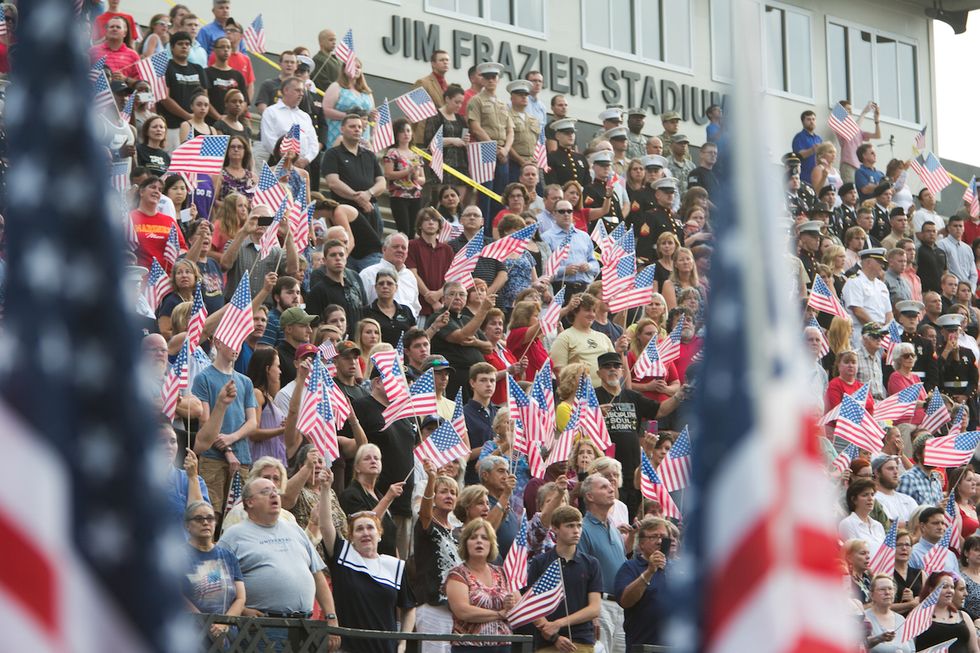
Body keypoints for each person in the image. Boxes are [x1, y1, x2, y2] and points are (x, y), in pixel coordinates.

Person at [217, 478, 340, 651]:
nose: (274, 494)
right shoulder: (233, 536)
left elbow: (317, 575)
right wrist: (242, 610)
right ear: (249, 502)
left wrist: (331, 617)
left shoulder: (295, 529)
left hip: (305, 628)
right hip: (261, 628)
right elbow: (215, 584)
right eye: (265, 492)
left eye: (275, 490)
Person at [319, 468, 416, 653]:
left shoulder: (395, 566)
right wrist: (325, 488)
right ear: (351, 537)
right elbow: (325, 526)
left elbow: (409, 607)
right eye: (359, 529)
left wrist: (403, 642)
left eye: (370, 528)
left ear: (379, 534)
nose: (365, 533)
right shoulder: (343, 554)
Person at [526, 505, 602, 651]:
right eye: (570, 526)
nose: (576, 530)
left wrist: (559, 623)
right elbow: (532, 606)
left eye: (579, 525)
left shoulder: (591, 563)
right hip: (547, 644)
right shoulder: (540, 563)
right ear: (555, 528)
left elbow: (594, 608)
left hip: (582, 641)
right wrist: (554, 637)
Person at [444, 518, 517, 653]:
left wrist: (511, 604)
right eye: (473, 537)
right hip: (469, 647)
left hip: (503, 646)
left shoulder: (502, 572)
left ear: (491, 544)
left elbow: (518, 605)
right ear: (465, 544)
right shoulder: (458, 574)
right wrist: (499, 614)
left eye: (484, 538)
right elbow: (462, 611)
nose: (479, 541)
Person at [322, 114, 386, 266]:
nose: (357, 129)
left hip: (371, 212)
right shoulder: (333, 154)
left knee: (373, 255)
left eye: (359, 127)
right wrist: (356, 197)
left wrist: (368, 194)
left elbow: (382, 182)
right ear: (342, 129)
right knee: (344, 251)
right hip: (343, 213)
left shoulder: (370, 155)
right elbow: (333, 182)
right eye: (352, 126)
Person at [414, 461, 463, 653]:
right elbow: (424, 513)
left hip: (457, 607)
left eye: (453, 492)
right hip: (433, 605)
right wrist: (432, 478)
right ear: (433, 497)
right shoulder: (427, 523)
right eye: (443, 492)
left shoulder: (459, 532)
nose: (449, 496)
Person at [182, 500, 246, 643]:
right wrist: (206, 625)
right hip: (193, 637)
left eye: (210, 518)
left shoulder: (228, 556)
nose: (205, 522)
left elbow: (240, 598)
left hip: (226, 638)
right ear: (187, 525)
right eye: (199, 518)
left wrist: (224, 624)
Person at [576, 474, 627, 653]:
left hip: (621, 607)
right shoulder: (582, 529)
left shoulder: (614, 528)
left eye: (611, 486)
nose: (611, 489)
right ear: (589, 496)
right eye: (604, 487)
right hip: (600, 606)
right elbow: (580, 574)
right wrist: (592, 613)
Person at [466, 62, 514, 225]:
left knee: (501, 194)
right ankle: (484, 229)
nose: (491, 80)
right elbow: (475, 127)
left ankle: (496, 228)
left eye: (494, 77)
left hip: (502, 152)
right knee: (485, 193)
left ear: (498, 79)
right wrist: (493, 147)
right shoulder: (476, 100)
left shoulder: (503, 104)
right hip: (485, 149)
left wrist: (505, 149)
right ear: (482, 80)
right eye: (487, 77)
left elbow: (510, 131)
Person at [614, 516, 670, 651]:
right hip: (643, 646)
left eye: (663, 537)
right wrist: (649, 572)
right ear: (641, 544)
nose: (659, 541)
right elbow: (625, 601)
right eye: (653, 537)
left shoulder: (679, 569)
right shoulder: (630, 567)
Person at [550, 293, 625, 386]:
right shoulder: (564, 337)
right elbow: (559, 371)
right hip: (580, 393)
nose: (592, 315)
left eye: (594, 311)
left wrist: (619, 352)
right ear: (575, 312)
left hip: (607, 392)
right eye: (587, 310)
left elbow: (615, 367)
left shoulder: (603, 337)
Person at [157, 31, 208, 148]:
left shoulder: (198, 69)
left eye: (187, 44)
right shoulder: (165, 67)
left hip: (197, 126)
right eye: (180, 44)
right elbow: (164, 97)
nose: (184, 47)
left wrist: (196, 117)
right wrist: (188, 116)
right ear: (172, 47)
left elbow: (205, 97)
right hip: (172, 126)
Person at [260, 77, 320, 170]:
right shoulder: (271, 112)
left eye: (302, 91)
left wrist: (307, 159)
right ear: (286, 90)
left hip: (302, 166)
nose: (301, 94)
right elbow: (269, 140)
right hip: (279, 163)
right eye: (298, 90)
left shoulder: (305, 117)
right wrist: (288, 158)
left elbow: (313, 143)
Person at [914, 571, 980, 652]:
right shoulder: (918, 618)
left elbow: (974, 650)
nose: (949, 591)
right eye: (944, 587)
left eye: (952, 587)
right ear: (931, 590)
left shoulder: (964, 616)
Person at [842, 248, 893, 349]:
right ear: (868, 262)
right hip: (862, 333)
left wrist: (886, 329)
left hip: (881, 335)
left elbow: (889, 313)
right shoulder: (854, 282)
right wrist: (875, 327)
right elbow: (857, 310)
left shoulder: (881, 285)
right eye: (879, 262)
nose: (882, 266)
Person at [408, 208, 455, 317]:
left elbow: (452, 276)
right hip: (418, 307)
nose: (431, 222)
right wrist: (432, 300)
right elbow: (412, 274)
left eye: (434, 220)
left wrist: (439, 293)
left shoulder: (447, 249)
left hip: (442, 306)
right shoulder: (412, 245)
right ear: (420, 225)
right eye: (426, 219)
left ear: (439, 225)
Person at [863, 574, 913, 653]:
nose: (887, 592)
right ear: (871, 595)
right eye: (882, 589)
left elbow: (912, 649)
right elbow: (857, 645)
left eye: (890, 589)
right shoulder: (864, 619)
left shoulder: (901, 620)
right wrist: (879, 639)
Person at [911, 507, 959, 573]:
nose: (940, 527)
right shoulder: (913, 553)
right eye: (935, 523)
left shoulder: (951, 555)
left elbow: (957, 578)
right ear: (922, 526)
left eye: (943, 523)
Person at [939, 214, 978, 292]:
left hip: (967, 290)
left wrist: (971, 290)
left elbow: (973, 273)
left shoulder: (968, 248)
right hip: (951, 289)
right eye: (955, 226)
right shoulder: (942, 244)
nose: (958, 228)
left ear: (964, 228)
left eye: (960, 226)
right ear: (948, 228)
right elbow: (942, 269)